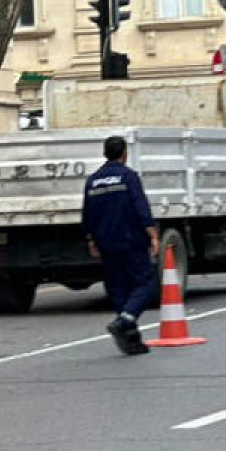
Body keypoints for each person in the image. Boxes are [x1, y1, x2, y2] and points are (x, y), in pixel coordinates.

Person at [81, 136, 156, 357]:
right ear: (124, 153)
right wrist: (153, 235)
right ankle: (125, 321)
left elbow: (87, 214)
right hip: (130, 240)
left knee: (119, 290)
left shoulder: (93, 180)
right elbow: (140, 207)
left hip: (106, 243)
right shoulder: (128, 177)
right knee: (145, 284)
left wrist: (91, 240)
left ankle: (132, 342)